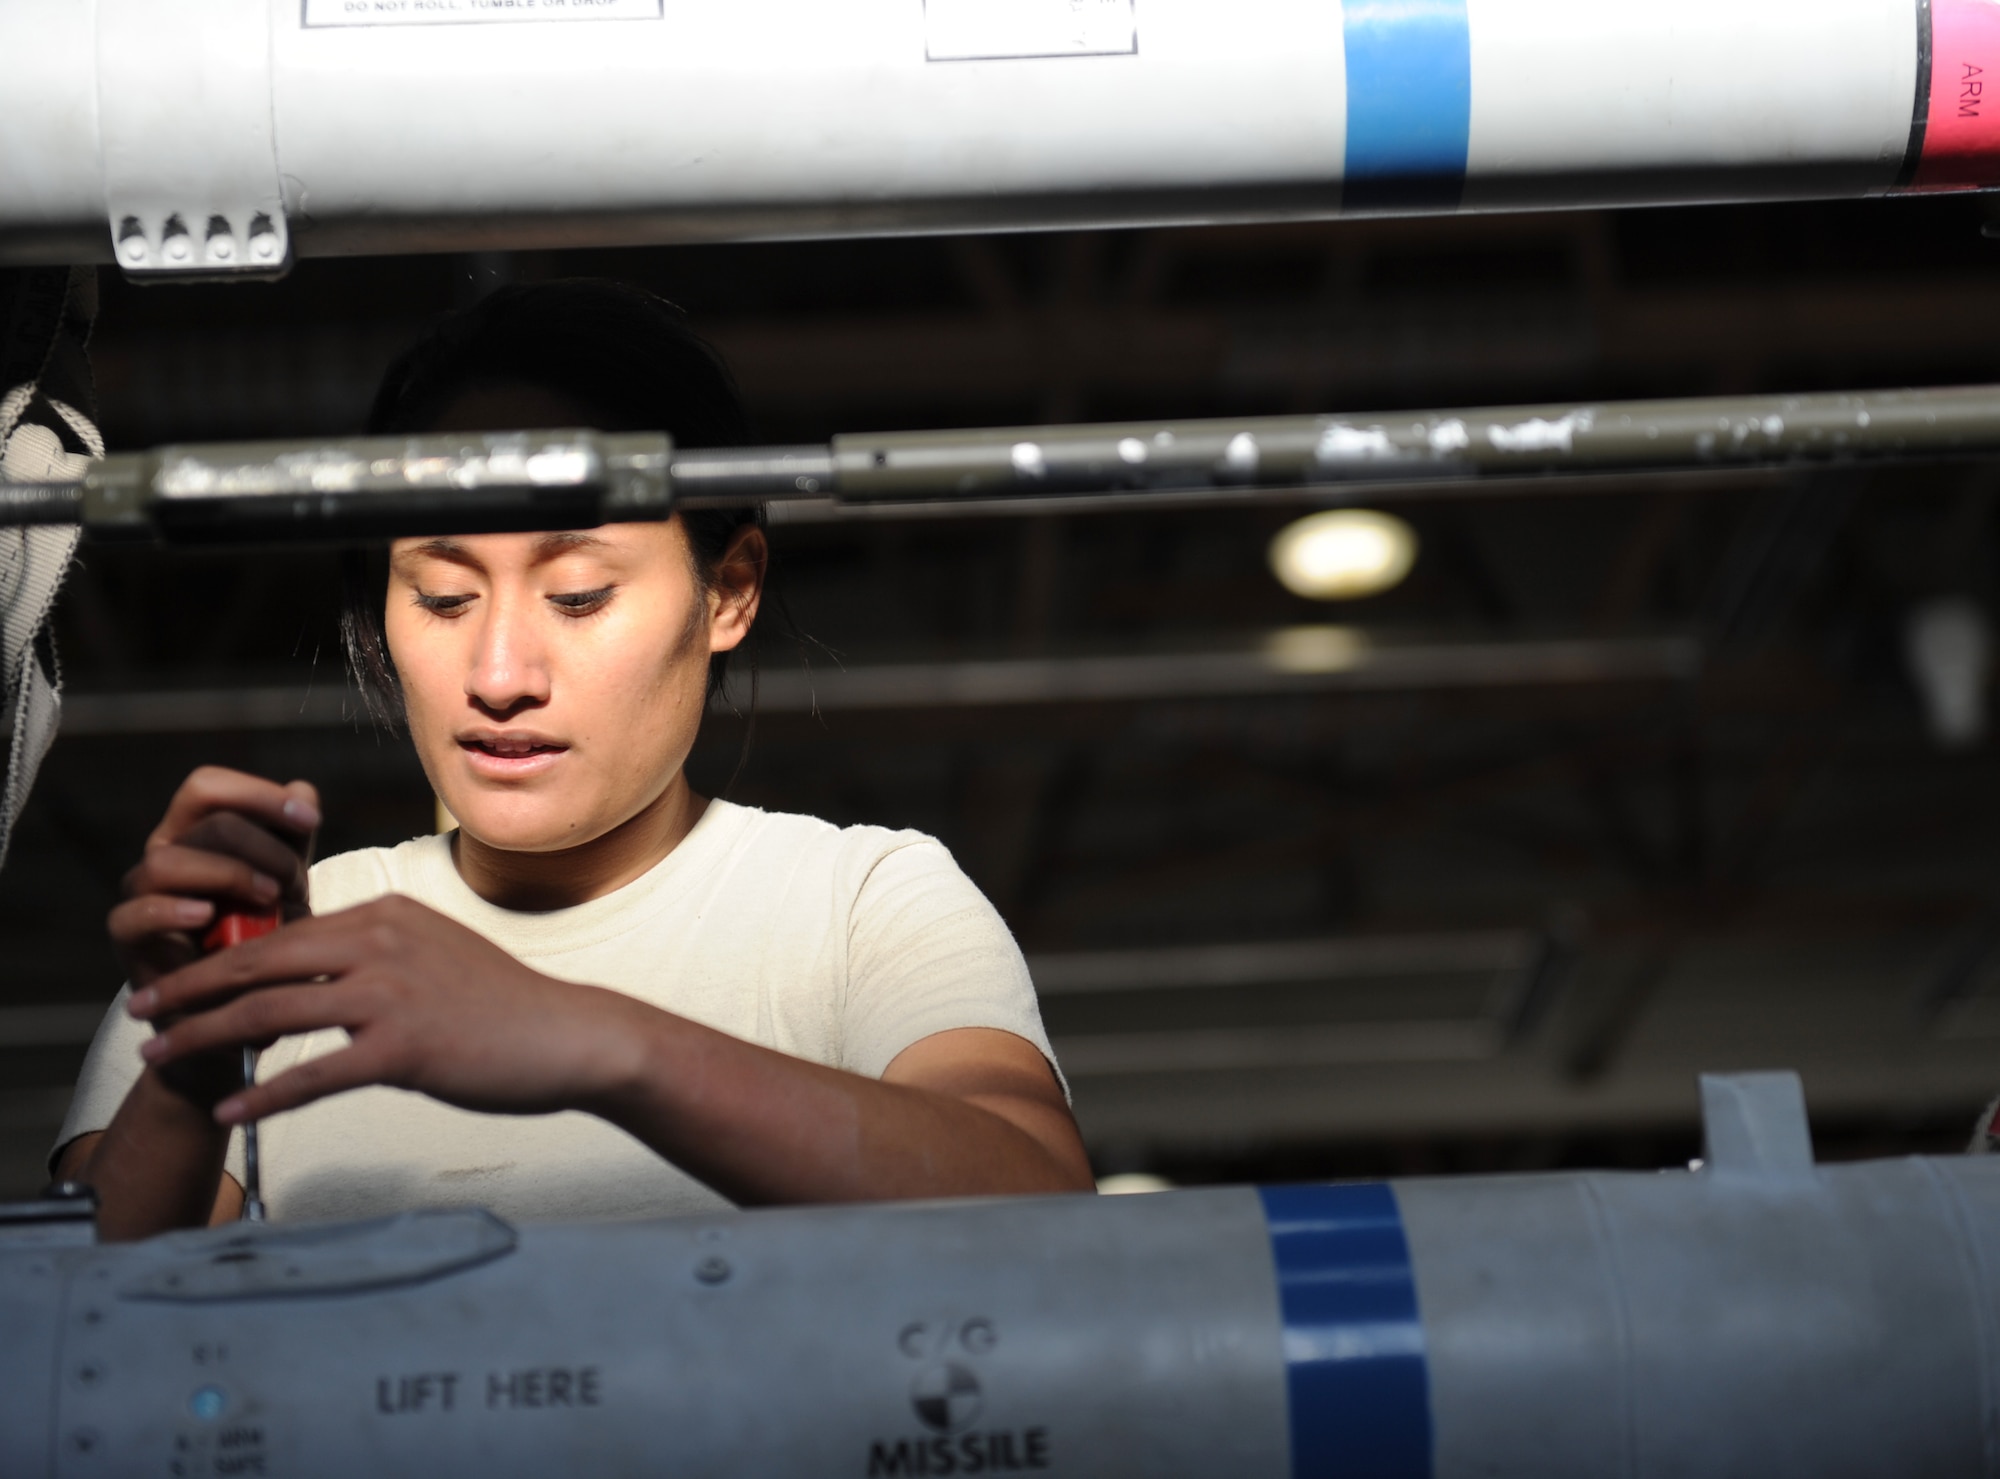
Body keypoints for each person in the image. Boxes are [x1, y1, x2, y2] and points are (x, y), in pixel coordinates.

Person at [52, 281, 1093, 1240]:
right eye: (443, 597)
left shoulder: (860, 902)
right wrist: (188, 1068)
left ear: (727, 591)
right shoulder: (269, 948)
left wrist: (595, 1040)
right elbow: (66, 1353)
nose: (498, 672)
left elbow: (1047, 1217)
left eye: (578, 595)